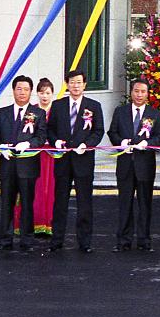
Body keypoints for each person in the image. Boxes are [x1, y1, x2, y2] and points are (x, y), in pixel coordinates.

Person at [47, 69, 104, 252]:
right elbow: (50, 129)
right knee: (60, 201)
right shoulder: (58, 105)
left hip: (83, 160)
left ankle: (85, 242)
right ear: (67, 84)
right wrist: (55, 141)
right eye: (72, 82)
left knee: (84, 202)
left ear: (84, 84)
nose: (75, 85)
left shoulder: (93, 106)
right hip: (63, 160)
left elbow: (98, 131)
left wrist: (87, 144)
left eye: (79, 82)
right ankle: (57, 241)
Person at [108, 79, 160, 252]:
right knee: (125, 203)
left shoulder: (154, 114)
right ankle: (123, 241)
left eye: (143, 92)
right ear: (131, 92)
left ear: (148, 94)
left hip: (145, 165)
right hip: (125, 164)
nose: (139, 95)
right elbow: (112, 132)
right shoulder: (120, 111)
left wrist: (147, 143)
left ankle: (144, 241)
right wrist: (121, 141)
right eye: (136, 91)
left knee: (145, 204)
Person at [0, 75, 46, 252]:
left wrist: (29, 144)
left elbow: (41, 137)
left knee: (27, 204)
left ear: (31, 92)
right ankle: (4, 240)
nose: (22, 92)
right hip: (7, 165)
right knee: (6, 203)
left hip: (28, 167)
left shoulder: (38, 113)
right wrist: (0, 147)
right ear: (13, 90)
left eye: (26, 89)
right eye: (19, 89)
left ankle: (27, 240)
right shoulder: (2, 112)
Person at [31, 78, 57, 234]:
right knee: (34, 187)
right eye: (41, 93)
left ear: (52, 94)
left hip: (53, 155)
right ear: (37, 94)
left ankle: (49, 222)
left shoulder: (57, 111)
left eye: (47, 93)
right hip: (35, 153)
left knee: (51, 188)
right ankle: (33, 221)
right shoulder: (32, 111)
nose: (44, 96)